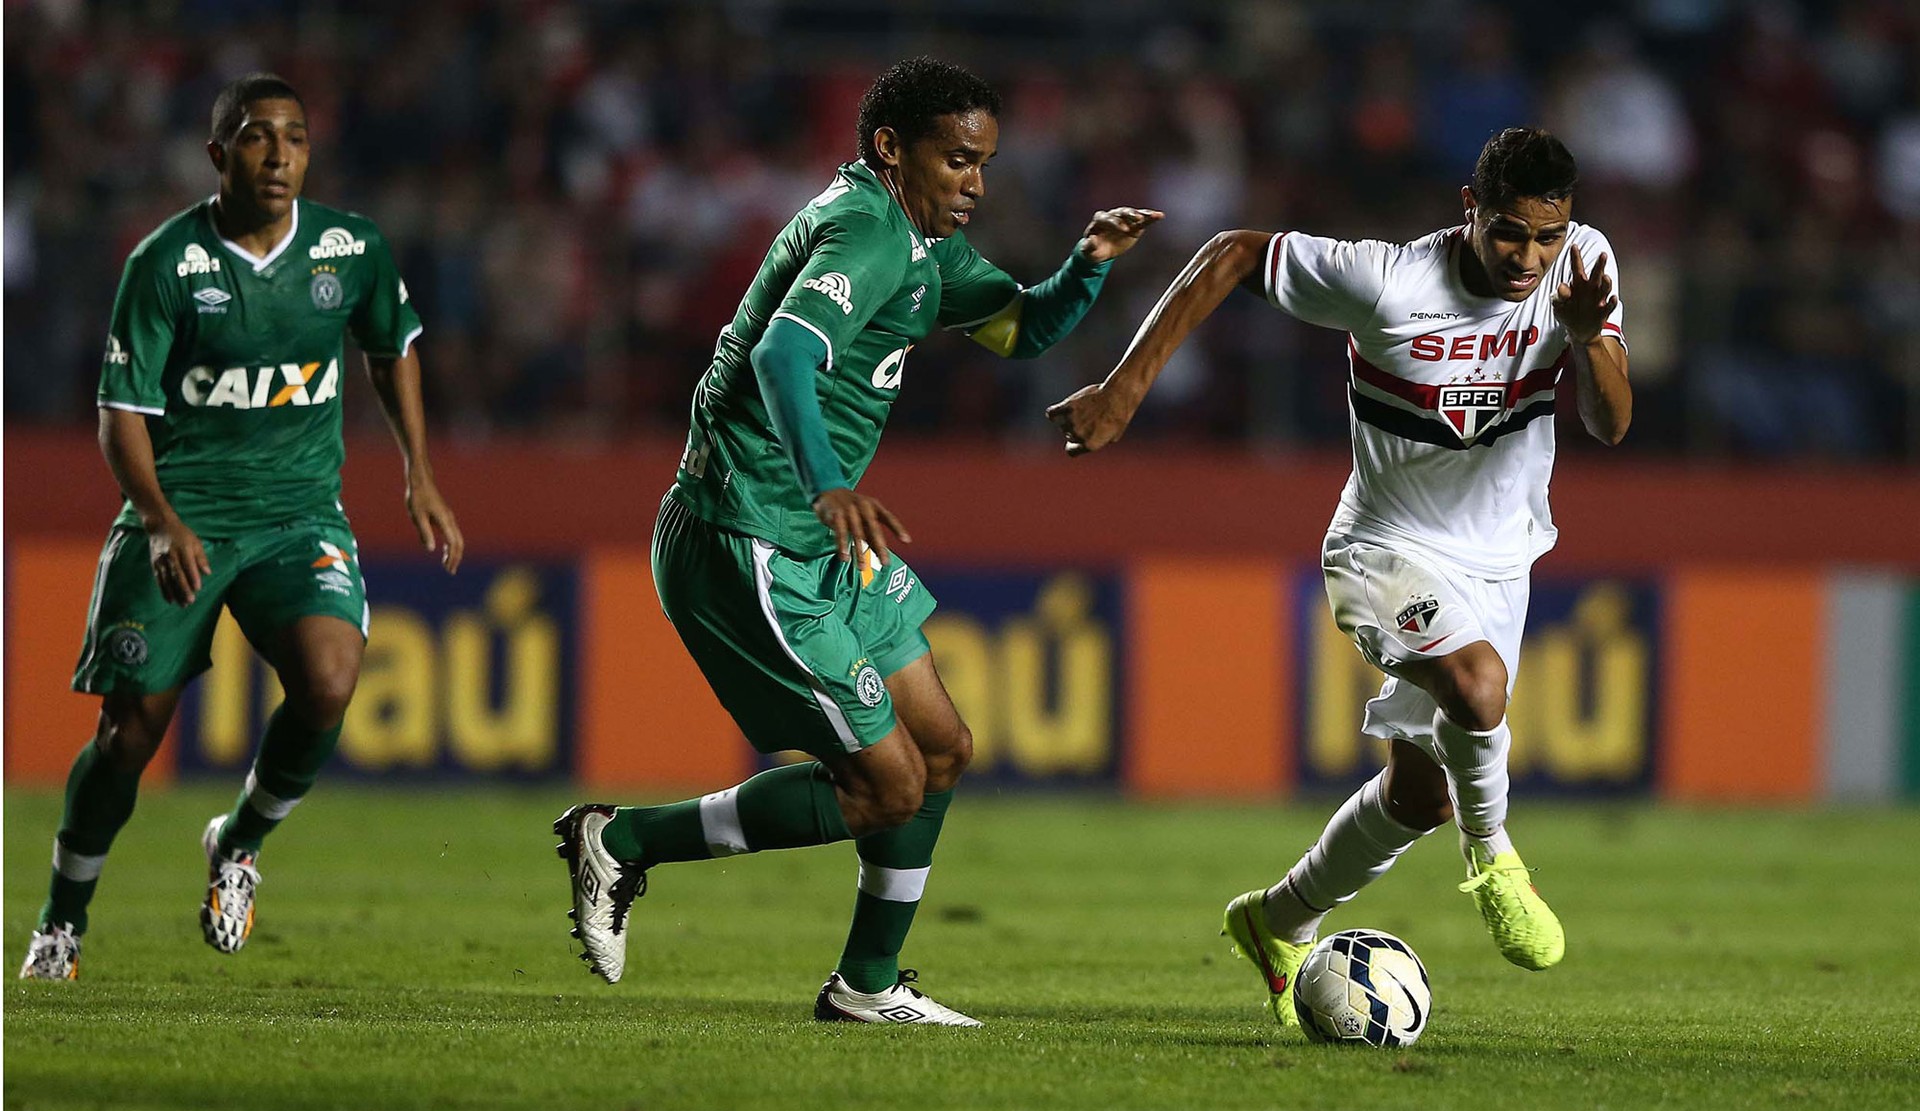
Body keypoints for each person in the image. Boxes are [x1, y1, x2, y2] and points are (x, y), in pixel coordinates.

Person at [553, 57, 1159, 1025]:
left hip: (816, 537)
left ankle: (867, 986)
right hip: (746, 533)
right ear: (891, 148)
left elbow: (1021, 329)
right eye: (958, 159)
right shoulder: (866, 231)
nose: (976, 183)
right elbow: (784, 350)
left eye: (985, 163)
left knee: (944, 749)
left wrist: (1085, 265)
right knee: (886, 786)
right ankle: (623, 841)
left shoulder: (922, 246)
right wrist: (829, 481)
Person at [1046, 127, 1630, 1031]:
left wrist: (1588, 339)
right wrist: (1125, 388)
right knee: (1479, 690)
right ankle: (1497, 857)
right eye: (1510, 231)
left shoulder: (1581, 265)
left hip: (1503, 559)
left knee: (1419, 793)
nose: (1528, 257)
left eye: (1546, 236)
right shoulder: (1388, 280)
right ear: (1470, 210)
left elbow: (1612, 420)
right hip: (1382, 546)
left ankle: (1274, 922)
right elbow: (1234, 253)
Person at [18, 73, 464, 981]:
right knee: (130, 732)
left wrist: (418, 469)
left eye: (295, 138)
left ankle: (240, 841)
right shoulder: (165, 264)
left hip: (298, 516)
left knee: (333, 679)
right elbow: (120, 414)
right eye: (258, 138)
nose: (279, 155)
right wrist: (157, 521)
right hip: (182, 513)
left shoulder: (353, 250)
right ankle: (63, 918)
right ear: (218, 154)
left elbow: (394, 347)